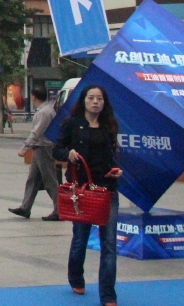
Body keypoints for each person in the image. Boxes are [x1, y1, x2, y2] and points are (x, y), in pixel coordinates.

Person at [52, 85, 123, 306]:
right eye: (91, 98)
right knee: (80, 238)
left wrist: (115, 171)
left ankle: (108, 294)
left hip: (106, 189)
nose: (95, 102)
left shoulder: (109, 125)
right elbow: (56, 150)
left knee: (109, 244)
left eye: (99, 99)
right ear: (83, 101)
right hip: (82, 190)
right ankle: (76, 277)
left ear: (104, 102)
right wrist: (69, 154)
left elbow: (112, 156)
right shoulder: (72, 124)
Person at [9, 86, 60, 221]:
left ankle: (59, 210)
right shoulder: (46, 110)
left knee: (50, 181)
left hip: (44, 148)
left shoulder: (44, 112)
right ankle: (25, 208)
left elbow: (37, 132)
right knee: (33, 180)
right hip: (39, 148)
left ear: (34, 97)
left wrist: (24, 148)